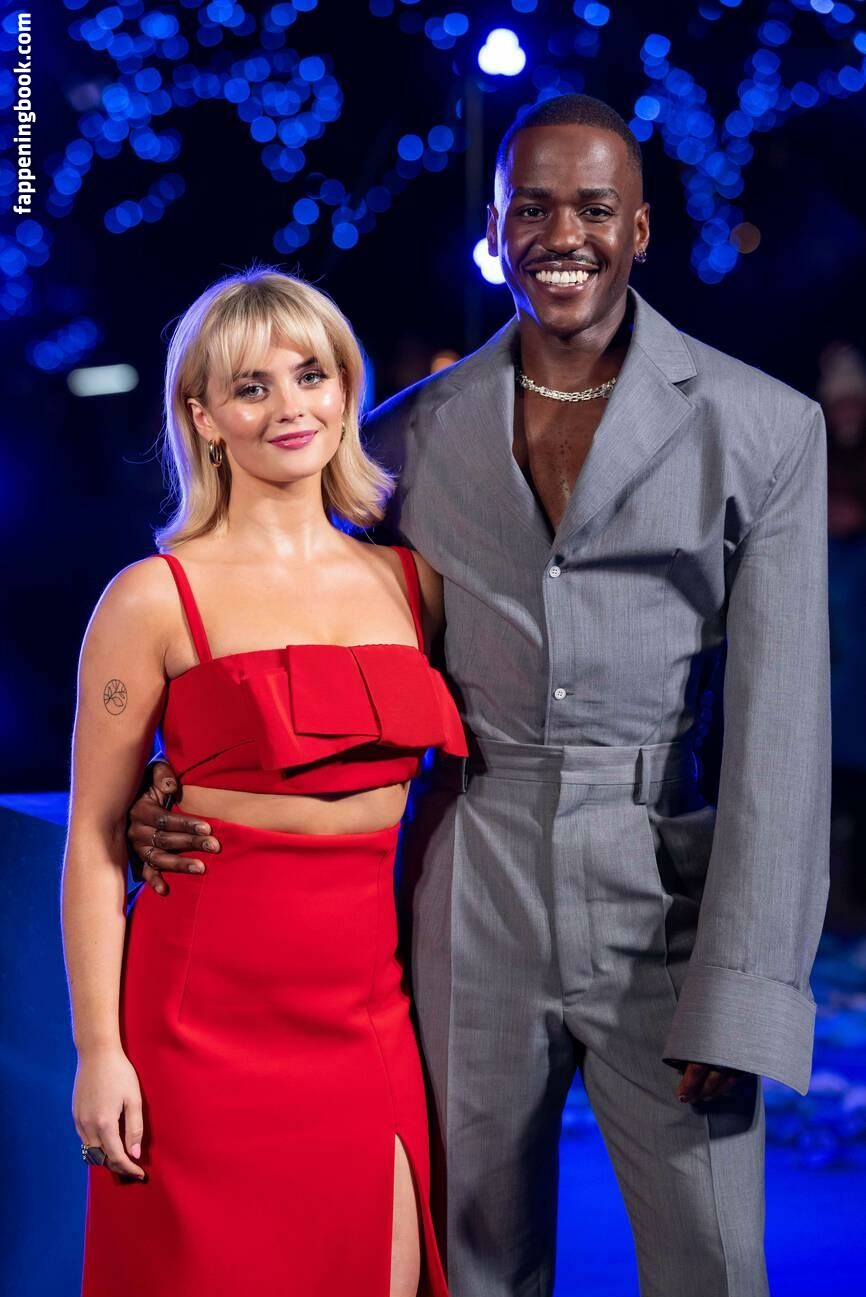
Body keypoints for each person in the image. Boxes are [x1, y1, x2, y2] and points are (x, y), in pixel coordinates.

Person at [130, 95, 830, 1297]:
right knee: (470, 1264)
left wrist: (746, 988)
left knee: (713, 1263)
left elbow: (782, 735)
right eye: (532, 209)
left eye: (593, 209)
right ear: (497, 232)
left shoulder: (763, 427)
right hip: (464, 879)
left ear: (638, 229)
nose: (562, 235)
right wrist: (172, 771)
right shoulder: (405, 437)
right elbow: (290, 607)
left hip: (662, 893)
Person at [62, 270, 466, 1297]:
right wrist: (100, 1051)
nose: (290, 406)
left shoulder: (413, 583)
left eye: (311, 374)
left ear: (346, 389)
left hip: (366, 1027)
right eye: (252, 386)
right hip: (194, 1038)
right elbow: (95, 844)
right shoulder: (151, 598)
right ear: (202, 417)